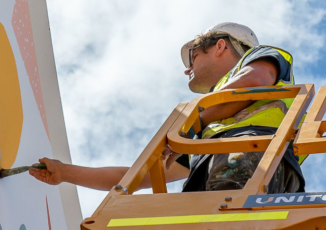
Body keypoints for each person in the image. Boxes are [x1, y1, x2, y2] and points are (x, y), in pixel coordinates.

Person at [28, 22, 305, 193]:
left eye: (194, 57)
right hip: (230, 163)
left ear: (220, 46)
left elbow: (253, 82)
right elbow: (141, 176)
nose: (188, 70)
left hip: (250, 156)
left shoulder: (259, 58)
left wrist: (189, 129)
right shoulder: (208, 134)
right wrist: (66, 173)